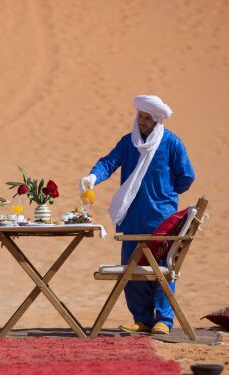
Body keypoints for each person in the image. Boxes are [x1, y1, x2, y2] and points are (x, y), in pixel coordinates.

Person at [79, 95, 195, 335]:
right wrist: (93, 177)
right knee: (132, 270)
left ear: (156, 120)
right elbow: (109, 163)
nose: (142, 122)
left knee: (162, 269)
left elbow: (186, 176)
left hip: (161, 219)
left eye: (147, 118)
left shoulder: (172, 143)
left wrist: (165, 193)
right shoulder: (128, 143)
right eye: (140, 117)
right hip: (132, 218)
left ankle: (163, 320)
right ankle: (142, 319)